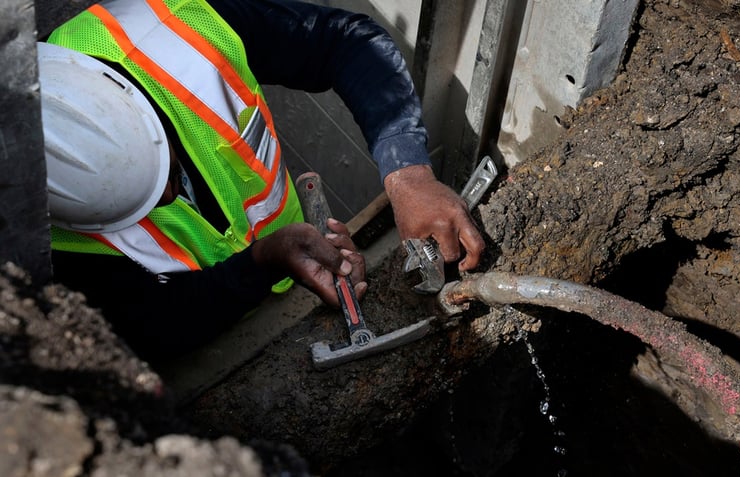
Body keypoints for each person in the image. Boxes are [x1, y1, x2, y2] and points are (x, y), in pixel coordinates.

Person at [42, 0, 484, 361]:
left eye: (166, 173)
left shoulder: (175, 28)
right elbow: (151, 330)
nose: (171, 197)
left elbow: (347, 44)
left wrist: (407, 175)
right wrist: (261, 265)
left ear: (141, 110)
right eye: (140, 207)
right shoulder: (39, 243)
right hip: (217, 341)